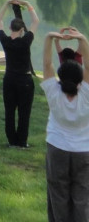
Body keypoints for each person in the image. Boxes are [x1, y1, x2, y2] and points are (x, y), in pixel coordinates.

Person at [41, 27, 89, 222]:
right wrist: (82, 39)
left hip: (57, 148)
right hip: (83, 151)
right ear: (80, 79)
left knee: (58, 195)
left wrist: (49, 37)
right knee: (83, 196)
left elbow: (46, 63)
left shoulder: (53, 92)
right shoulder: (86, 94)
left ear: (60, 75)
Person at [0, 0, 40, 149]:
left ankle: (11, 141)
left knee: (9, 111)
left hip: (9, 79)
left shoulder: (5, 40)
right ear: (22, 30)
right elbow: (35, 21)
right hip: (25, 80)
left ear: (10, 28)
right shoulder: (26, 40)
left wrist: (6, 3)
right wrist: (27, 5)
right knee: (24, 112)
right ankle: (21, 142)